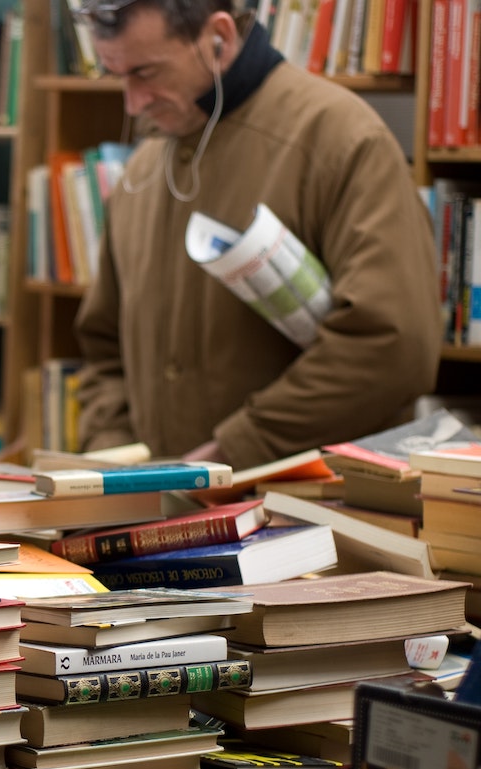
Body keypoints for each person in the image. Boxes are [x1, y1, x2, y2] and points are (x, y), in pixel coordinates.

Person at [72, 0, 442, 469]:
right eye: (116, 74)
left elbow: (392, 347)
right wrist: (113, 459)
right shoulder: (143, 168)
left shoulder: (341, 140)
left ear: (218, 37)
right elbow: (104, 348)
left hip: (306, 513)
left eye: (146, 72)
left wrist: (240, 447)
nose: (133, 102)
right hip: (156, 509)